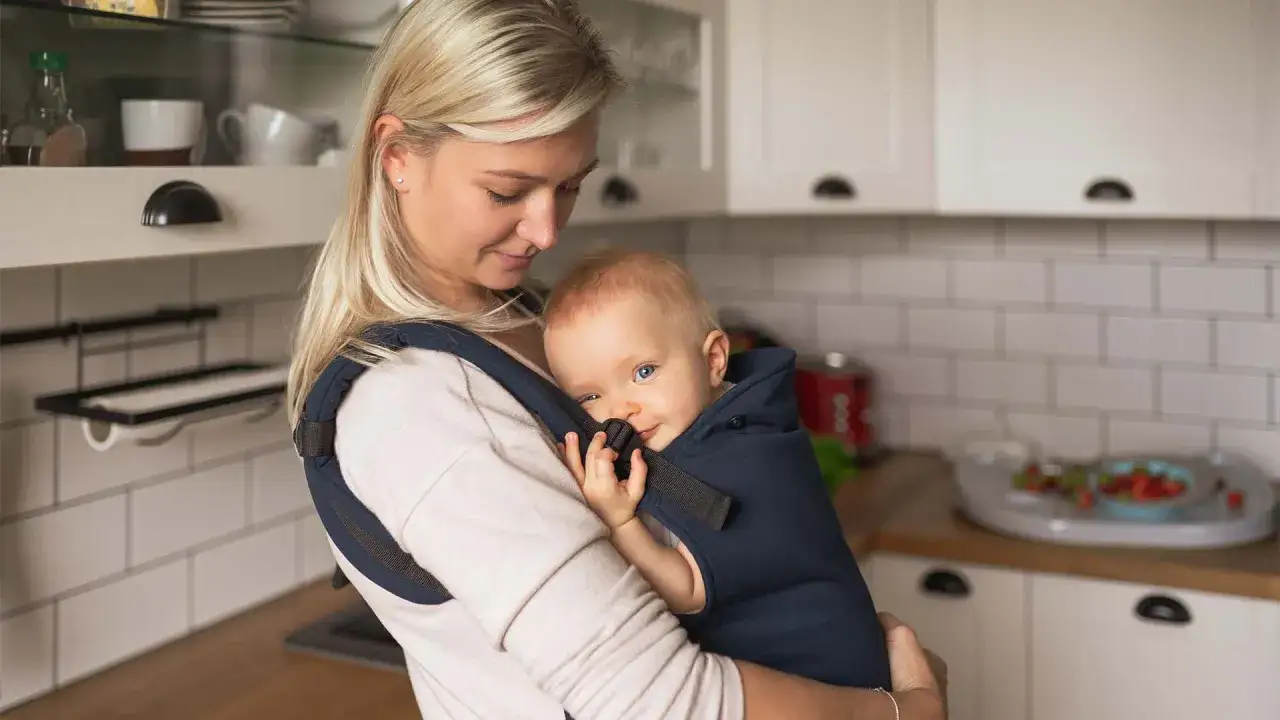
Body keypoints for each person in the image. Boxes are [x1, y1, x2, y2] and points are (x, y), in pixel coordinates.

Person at [285, 0, 948, 718]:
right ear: (397, 157)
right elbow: (656, 702)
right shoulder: (416, 403)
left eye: (570, 186)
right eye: (507, 191)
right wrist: (901, 711)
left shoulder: (531, 321)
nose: (547, 229)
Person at [542, 248, 891, 691]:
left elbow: (687, 590)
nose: (621, 409)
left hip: (831, 688)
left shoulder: (748, 455)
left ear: (712, 360)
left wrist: (619, 522)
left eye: (644, 372)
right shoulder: (701, 433)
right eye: (590, 397)